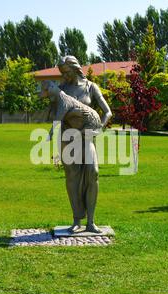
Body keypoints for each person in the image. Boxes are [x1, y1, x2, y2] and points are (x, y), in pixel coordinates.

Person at [56, 56, 112, 234]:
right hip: (68, 138)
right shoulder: (61, 89)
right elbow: (54, 115)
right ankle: (76, 220)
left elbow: (108, 112)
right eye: (62, 73)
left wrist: (99, 128)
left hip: (87, 138)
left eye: (66, 72)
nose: (64, 75)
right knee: (72, 178)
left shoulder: (91, 87)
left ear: (75, 68)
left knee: (93, 173)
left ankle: (91, 222)